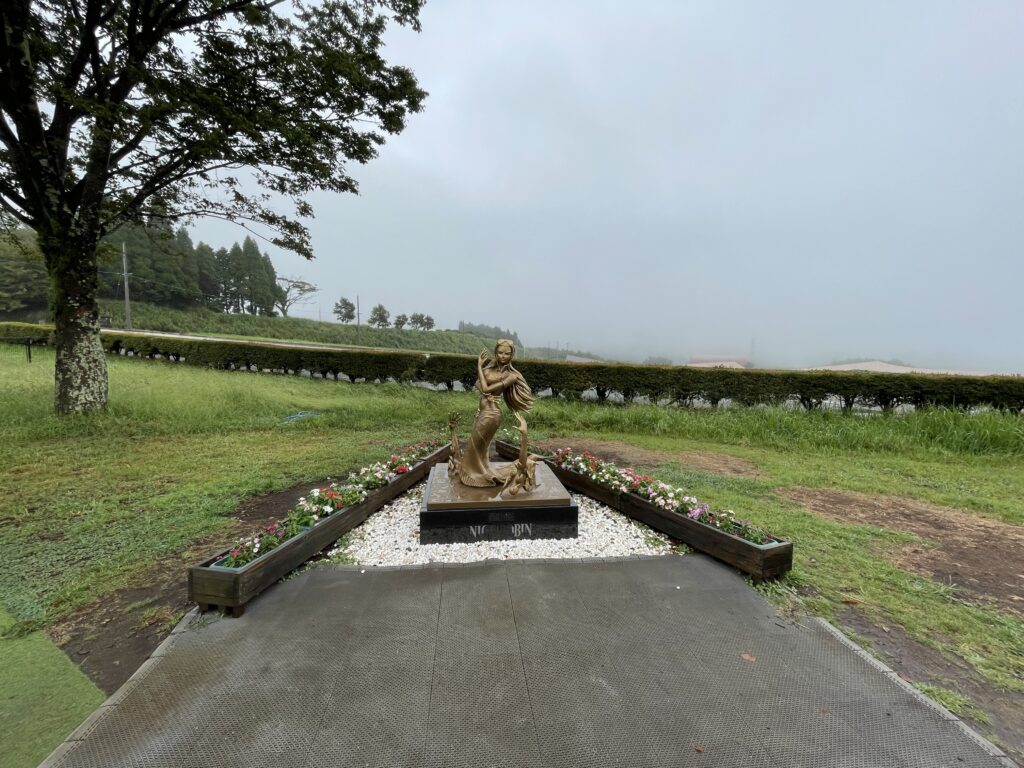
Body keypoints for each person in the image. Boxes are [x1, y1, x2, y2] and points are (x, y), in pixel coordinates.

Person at [457, 339, 534, 487]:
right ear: (495, 352)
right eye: (500, 352)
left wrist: (479, 366)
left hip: (492, 414)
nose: (503, 356)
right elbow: (479, 386)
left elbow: (485, 389)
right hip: (483, 411)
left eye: (507, 353)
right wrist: (484, 377)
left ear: (512, 355)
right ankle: (481, 472)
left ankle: (474, 475)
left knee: (474, 446)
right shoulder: (490, 369)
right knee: (479, 448)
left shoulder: (512, 376)